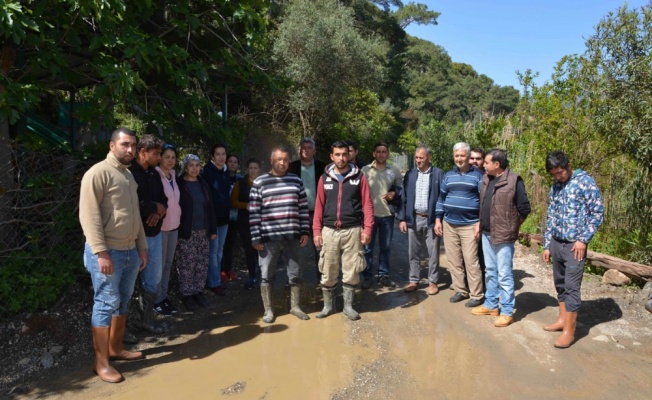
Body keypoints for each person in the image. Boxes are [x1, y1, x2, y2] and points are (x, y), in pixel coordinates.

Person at [79, 127, 147, 383]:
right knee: (106, 302)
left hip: (129, 251)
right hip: (108, 253)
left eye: (133, 145)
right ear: (112, 145)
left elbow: (135, 215)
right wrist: (100, 252)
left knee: (124, 298)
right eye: (125, 144)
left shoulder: (128, 175)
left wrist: (142, 246)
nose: (130, 150)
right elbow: (89, 216)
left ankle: (115, 349)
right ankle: (101, 362)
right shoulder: (97, 173)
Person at [542, 151, 604, 348]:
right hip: (556, 242)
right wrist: (547, 244)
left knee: (571, 287)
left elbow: (597, 213)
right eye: (553, 174)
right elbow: (550, 215)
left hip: (574, 245)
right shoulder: (556, 186)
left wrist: (583, 240)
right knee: (560, 284)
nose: (557, 177)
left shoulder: (585, 182)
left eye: (560, 172)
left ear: (569, 165)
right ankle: (562, 320)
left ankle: (570, 331)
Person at [249, 147, 311, 323]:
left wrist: (305, 231)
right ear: (271, 161)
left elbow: (303, 209)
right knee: (266, 274)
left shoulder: (296, 181)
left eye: (285, 159)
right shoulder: (260, 182)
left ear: (289, 161)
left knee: (295, 272)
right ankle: (269, 310)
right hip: (268, 238)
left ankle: (295, 307)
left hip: (292, 236)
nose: (282, 163)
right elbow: (254, 212)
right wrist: (255, 237)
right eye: (278, 159)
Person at [313, 141, 374, 320]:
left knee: (351, 271)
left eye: (344, 154)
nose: (341, 158)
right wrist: (316, 231)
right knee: (328, 270)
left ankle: (348, 306)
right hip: (329, 231)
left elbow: (367, 205)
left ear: (350, 155)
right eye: (337, 155)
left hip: (353, 230)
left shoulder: (359, 177)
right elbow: (319, 206)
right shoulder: (324, 178)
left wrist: (367, 229)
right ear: (331, 156)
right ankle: (328, 306)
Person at [471, 149, 531, 328]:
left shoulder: (514, 180)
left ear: (497, 164)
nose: (483, 164)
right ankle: (491, 305)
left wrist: (511, 226)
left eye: (487, 162)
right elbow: (484, 204)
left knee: (504, 274)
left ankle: (506, 311)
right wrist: (480, 224)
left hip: (503, 236)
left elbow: (524, 209)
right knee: (490, 271)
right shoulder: (487, 179)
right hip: (486, 233)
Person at [434, 142, 484, 308]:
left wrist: (479, 222)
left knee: (471, 260)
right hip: (449, 224)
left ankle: (477, 294)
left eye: (462, 155)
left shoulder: (478, 176)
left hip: (470, 225)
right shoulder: (448, 176)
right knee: (454, 260)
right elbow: (441, 199)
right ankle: (461, 290)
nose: (459, 159)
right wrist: (438, 219)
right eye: (456, 156)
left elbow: (484, 202)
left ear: (468, 157)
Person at [129, 134, 167, 335]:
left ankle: (145, 320)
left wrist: (159, 211)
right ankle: (125, 326)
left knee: (153, 278)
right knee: (128, 282)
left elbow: (164, 200)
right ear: (143, 152)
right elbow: (131, 204)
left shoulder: (154, 174)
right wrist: (154, 207)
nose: (159, 158)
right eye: (156, 154)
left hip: (155, 233)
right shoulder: (129, 173)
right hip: (135, 237)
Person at [397, 146, 444, 295]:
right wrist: (403, 218)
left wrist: (438, 219)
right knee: (413, 252)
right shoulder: (410, 174)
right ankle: (414, 280)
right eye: (416, 157)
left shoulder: (438, 174)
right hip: (414, 218)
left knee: (433, 252)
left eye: (421, 158)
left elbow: (442, 198)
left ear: (429, 157)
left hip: (430, 219)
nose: (418, 160)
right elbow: (404, 197)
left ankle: (433, 282)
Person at [176, 155, 217, 311]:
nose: (194, 168)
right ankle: (187, 295)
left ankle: (198, 291)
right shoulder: (180, 184)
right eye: (191, 165)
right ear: (185, 167)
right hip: (187, 231)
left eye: (197, 165)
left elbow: (210, 207)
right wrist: (178, 233)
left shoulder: (203, 184)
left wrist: (212, 228)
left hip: (203, 231)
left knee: (201, 263)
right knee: (187, 264)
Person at [361, 142, 403, 289]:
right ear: (374, 153)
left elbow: (401, 190)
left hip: (387, 215)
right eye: (378, 151)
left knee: (385, 247)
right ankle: (367, 276)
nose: (381, 154)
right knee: (367, 248)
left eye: (384, 152)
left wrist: (394, 193)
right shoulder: (365, 170)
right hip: (369, 216)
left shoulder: (395, 170)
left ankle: (384, 275)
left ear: (388, 154)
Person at [288, 137, 326, 279]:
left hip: (319, 213)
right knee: (296, 247)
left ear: (314, 150)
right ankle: (294, 278)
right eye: (303, 147)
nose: (306, 150)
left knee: (320, 246)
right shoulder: (291, 167)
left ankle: (322, 278)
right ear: (299, 150)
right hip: (297, 214)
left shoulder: (323, 167)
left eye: (309, 147)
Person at [153, 144, 181, 317]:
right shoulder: (156, 175)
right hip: (161, 229)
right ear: (160, 158)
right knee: (159, 265)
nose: (170, 160)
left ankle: (163, 297)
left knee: (168, 265)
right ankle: (155, 301)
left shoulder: (174, 175)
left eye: (173, 157)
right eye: (167, 157)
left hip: (174, 227)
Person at [201, 144, 231, 296]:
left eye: (223, 154)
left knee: (219, 251)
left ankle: (215, 278)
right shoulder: (207, 172)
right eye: (217, 154)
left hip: (224, 217)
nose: (221, 157)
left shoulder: (226, 172)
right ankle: (213, 283)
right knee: (213, 252)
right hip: (212, 219)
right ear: (212, 156)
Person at [231, 158, 262, 290]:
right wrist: (245, 205)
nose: (253, 171)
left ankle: (263, 276)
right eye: (251, 168)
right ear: (247, 169)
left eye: (255, 168)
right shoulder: (240, 183)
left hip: (261, 222)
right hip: (244, 221)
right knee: (249, 249)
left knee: (260, 249)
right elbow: (233, 201)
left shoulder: (263, 183)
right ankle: (252, 276)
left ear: (259, 170)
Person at [222, 153, 243, 282]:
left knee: (230, 245)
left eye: (235, 162)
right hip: (223, 217)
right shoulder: (221, 177)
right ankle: (220, 271)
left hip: (235, 217)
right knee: (220, 246)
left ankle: (228, 270)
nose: (233, 164)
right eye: (230, 161)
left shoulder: (240, 180)